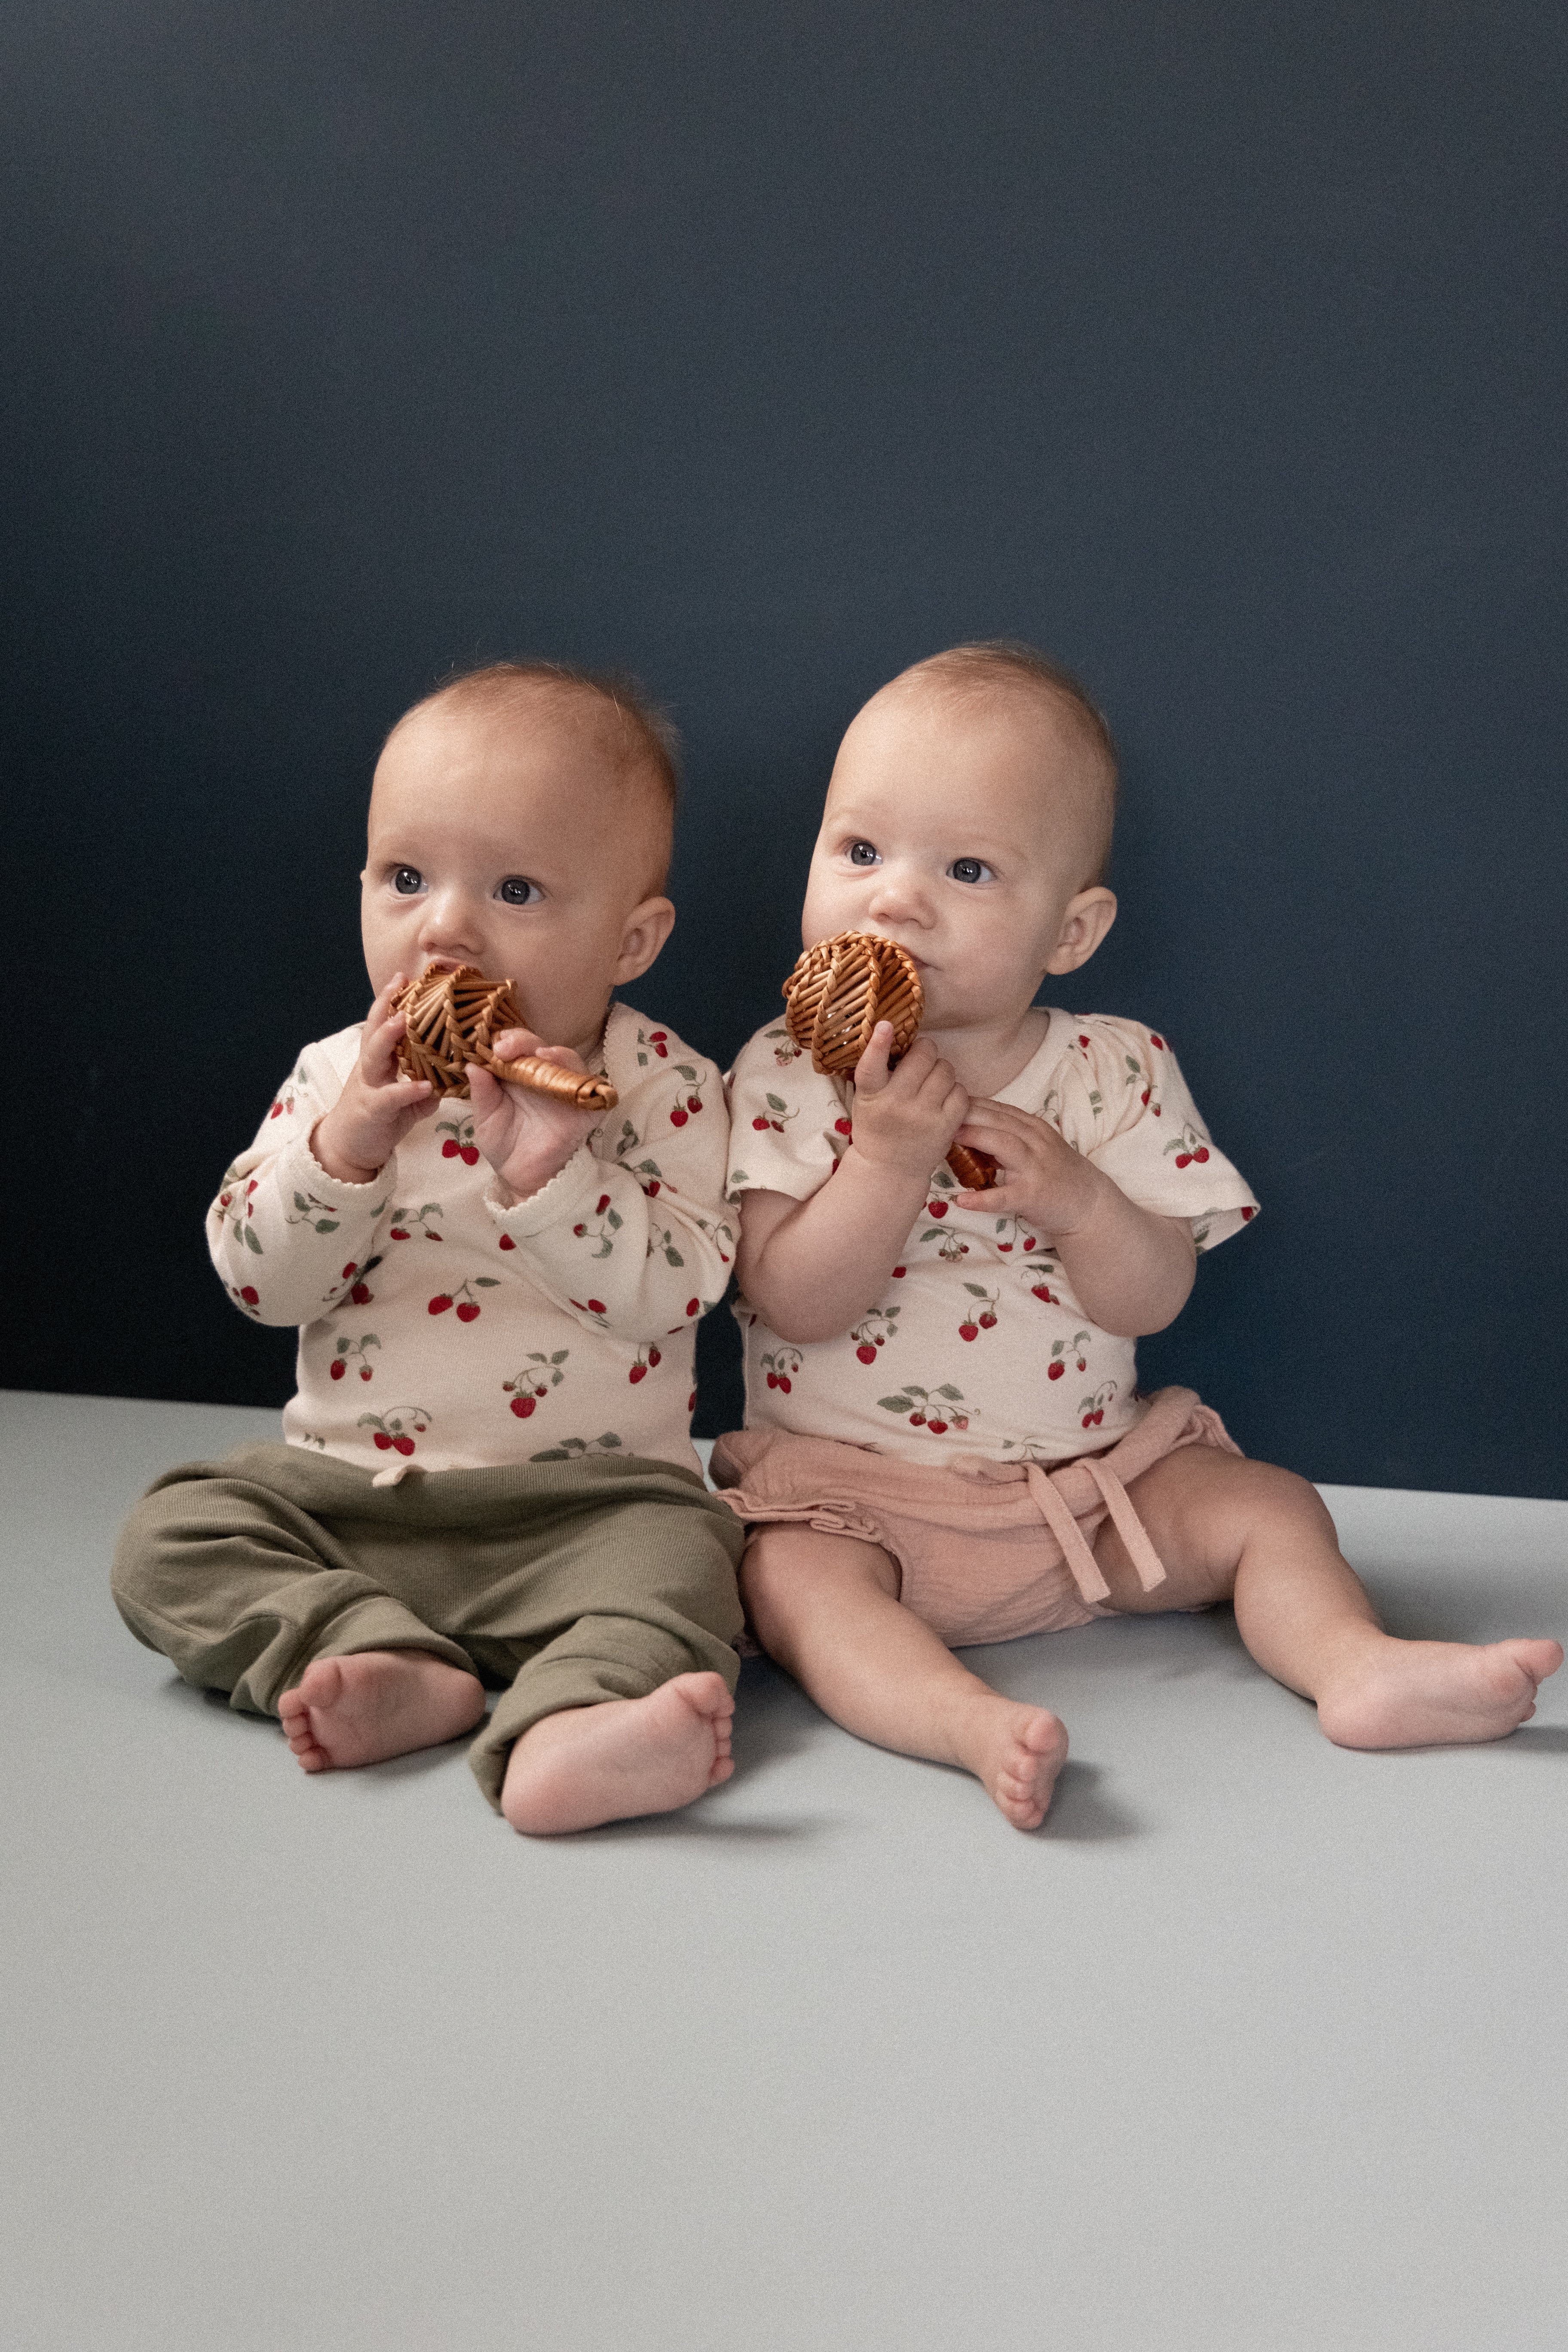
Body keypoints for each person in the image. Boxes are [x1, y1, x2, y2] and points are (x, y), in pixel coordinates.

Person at [713, 641, 1561, 1829]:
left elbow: (1151, 1299)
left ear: (1071, 930)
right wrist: (889, 1161)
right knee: (791, 1585)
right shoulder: (789, 1071)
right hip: (856, 1506)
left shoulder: (1112, 1071)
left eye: (967, 869)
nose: (894, 900)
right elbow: (792, 1300)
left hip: (1091, 1499)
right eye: (859, 852)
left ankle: (1352, 1663)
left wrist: (1080, 1201)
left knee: (1272, 1508)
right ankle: (963, 1722)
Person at [113, 661, 747, 1835]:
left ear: (632, 938)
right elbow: (258, 1284)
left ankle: (576, 1723)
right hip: (351, 1503)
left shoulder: (664, 1086)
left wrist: (554, 1176)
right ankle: (381, 1657)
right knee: (172, 1534)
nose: (444, 926)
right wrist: (346, 1149)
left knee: (693, 1563)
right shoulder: (334, 1077)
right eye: (405, 879)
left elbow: (677, 1293)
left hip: (586, 1514)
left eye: (516, 889)